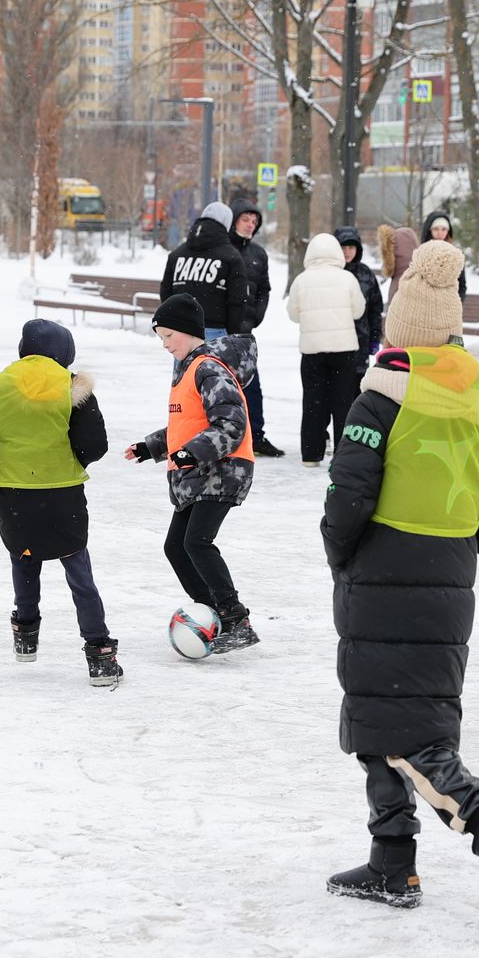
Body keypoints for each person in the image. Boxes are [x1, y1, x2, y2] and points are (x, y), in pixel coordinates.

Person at [320, 238, 479, 928]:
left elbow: (346, 497)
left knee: (408, 735)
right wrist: (454, 547)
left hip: (385, 568)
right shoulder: (476, 402)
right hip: (448, 572)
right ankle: (392, 860)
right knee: (383, 720)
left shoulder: (381, 395)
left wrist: (347, 556)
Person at [0, 318, 121, 687]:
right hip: (62, 493)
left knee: (26, 555)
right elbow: (94, 446)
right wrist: (68, 457)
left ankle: (26, 635)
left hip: (12, 493)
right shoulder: (72, 387)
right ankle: (99, 654)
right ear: (63, 353)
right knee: (77, 568)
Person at [123, 293, 259, 653]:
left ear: (187, 331)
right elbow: (186, 426)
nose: (165, 345)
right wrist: (152, 447)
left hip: (223, 470)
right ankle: (212, 612)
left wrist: (188, 454)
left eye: (169, 336)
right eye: (160, 338)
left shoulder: (209, 368)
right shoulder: (188, 372)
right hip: (199, 471)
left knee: (196, 542)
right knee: (176, 547)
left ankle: (235, 618)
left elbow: (231, 425)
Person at [282, 231, 366, 467]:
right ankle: (342, 452)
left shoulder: (301, 280)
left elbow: (293, 314)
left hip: (312, 351)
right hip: (344, 351)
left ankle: (311, 454)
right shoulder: (348, 278)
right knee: (343, 403)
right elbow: (358, 311)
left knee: (313, 403)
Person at [228, 201, 283, 456]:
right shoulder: (223, 248)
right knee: (217, 386)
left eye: (254, 221)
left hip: (245, 330)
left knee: (251, 386)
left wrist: (256, 316)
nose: (250, 225)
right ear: (234, 221)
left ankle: (256, 435)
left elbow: (264, 288)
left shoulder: (258, 254)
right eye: (245, 220)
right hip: (220, 328)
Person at [158, 201, 251, 340]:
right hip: (216, 331)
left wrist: (176, 321)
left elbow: (166, 292)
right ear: (227, 223)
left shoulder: (177, 254)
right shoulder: (231, 257)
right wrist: (233, 332)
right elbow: (237, 300)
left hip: (181, 331)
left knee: (187, 363)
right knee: (211, 363)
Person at [337, 226, 384, 363]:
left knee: (358, 382)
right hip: (335, 345)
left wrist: (375, 338)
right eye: (343, 248)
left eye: (351, 247)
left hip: (361, 344)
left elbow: (375, 309)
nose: (347, 252)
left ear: (358, 249)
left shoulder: (366, 274)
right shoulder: (329, 273)